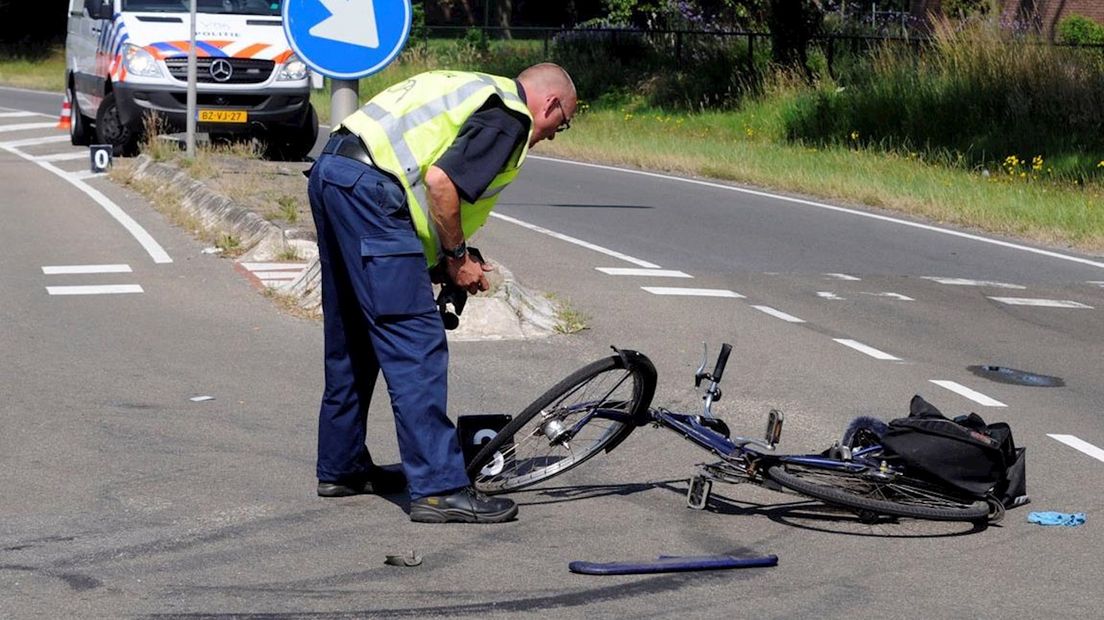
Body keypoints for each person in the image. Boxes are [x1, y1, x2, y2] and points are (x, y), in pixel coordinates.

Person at [307, 64, 577, 523]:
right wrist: (456, 257)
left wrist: (438, 259)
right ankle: (438, 487)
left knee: (353, 335)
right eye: (561, 123)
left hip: (334, 173)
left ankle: (342, 467)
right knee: (416, 346)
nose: (552, 134)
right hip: (371, 192)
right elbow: (439, 182)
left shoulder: (469, 86)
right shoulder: (510, 115)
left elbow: (416, 175)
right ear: (549, 104)